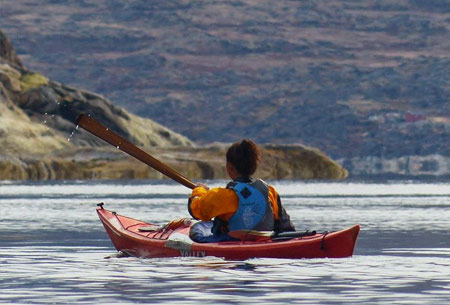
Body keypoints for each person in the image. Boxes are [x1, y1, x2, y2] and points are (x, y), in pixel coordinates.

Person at [188, 139, 295, 242]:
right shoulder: (270, 191)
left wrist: (199, 190)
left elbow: (196, 210)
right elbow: (285, 227)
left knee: (196, 229)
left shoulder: (221, 196)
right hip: (265, 240)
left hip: (232, 242)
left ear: (229, 167)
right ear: (254, 167)